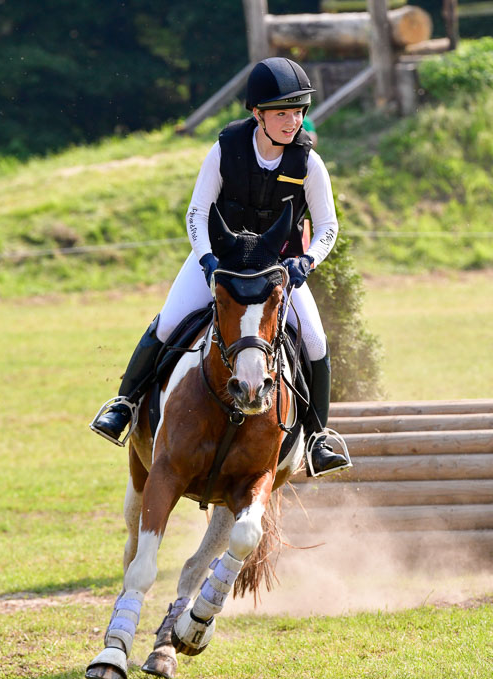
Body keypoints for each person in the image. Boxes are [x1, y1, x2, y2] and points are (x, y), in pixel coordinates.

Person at [91, 57, 349, 476]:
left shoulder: (308, 163)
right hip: (220, 263)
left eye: (298, 112)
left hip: (276, 272)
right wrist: (207, 258)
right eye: (282, 112)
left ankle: (319, 437)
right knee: (170, 323)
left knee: (316, 342)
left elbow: (327, 226)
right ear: (257, 114)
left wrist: (306, 260)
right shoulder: (226, 149)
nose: (292, 121)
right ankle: (123, 404)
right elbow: (197, 212)